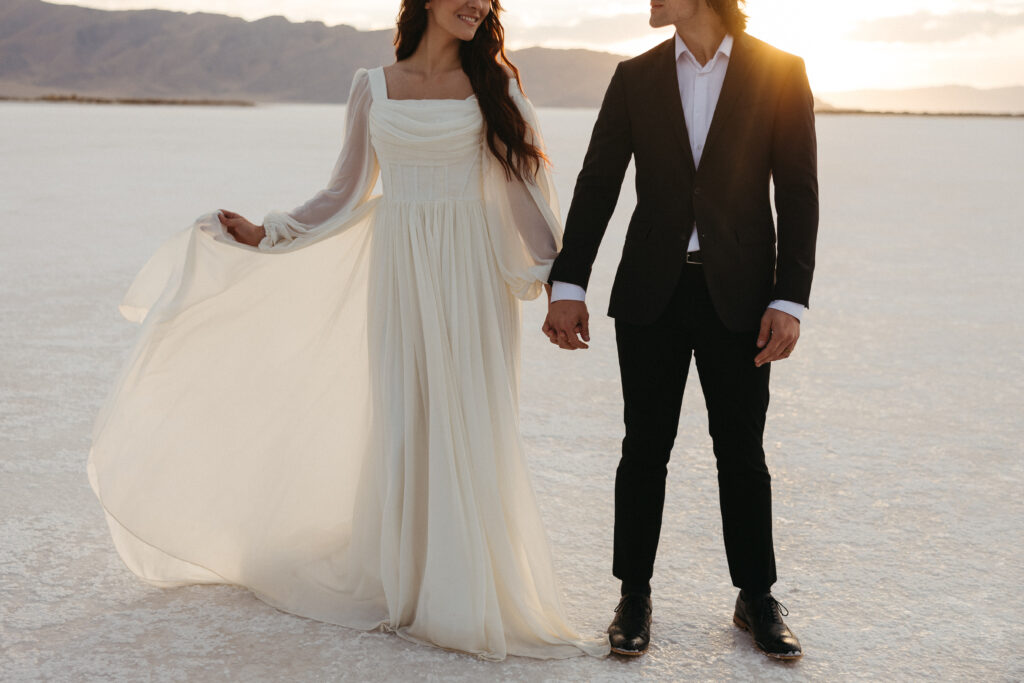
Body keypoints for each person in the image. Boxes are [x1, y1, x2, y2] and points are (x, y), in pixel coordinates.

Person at [89, 0, 608, 661]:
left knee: (470, 416)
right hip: (399, 273)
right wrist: (270, 231)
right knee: (406, 413)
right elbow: (345, 191)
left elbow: (521, 187)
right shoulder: (372, 87)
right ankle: (410, 579)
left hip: (469, 275)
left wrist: (556, 285)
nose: (476, 5)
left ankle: (463, 586)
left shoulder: (495, 86)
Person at [542, 0, 818, 661]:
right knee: (644, 448)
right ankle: (633, 594)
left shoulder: (781, 71)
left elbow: (798, 190)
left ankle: (757, 595)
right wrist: (569, 283)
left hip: (743, 297)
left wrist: (791, 298)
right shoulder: (634, 77)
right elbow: (598, 180)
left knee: (742, 451)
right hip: (650, 294)